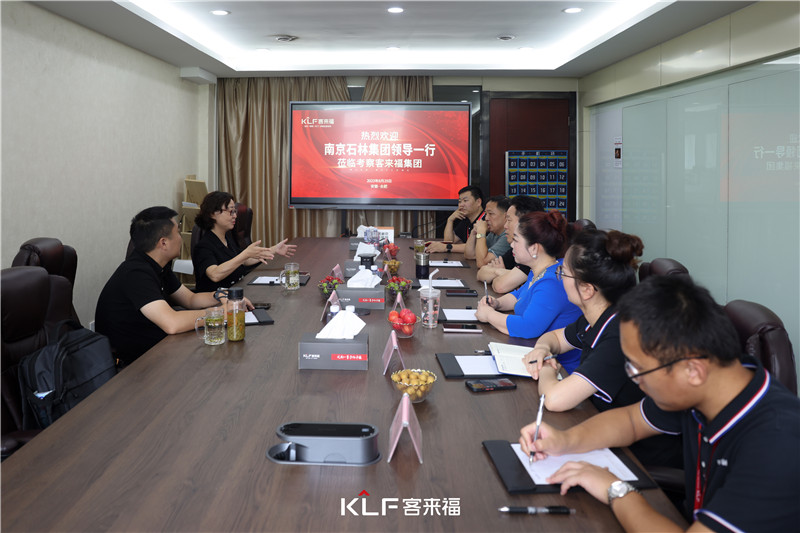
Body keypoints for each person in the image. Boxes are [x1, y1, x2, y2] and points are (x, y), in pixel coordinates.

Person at [520, 275, 800, 532]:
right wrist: (565, 441)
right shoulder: (715, 384)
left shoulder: (777, 444)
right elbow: (631, 421)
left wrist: (616, 490)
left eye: (638, 370)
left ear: (693, 371)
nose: (635, 380)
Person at [523, 228, 682, 468]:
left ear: (587, 289)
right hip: (603, 432)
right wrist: (543, 349)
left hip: (636, 459)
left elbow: (554, 399)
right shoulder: (600, 315)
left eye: (562, 272)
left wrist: (546, 368)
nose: (559, 278)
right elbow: (554, 337)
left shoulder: (621, 333)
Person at [96, 206, 253, 365]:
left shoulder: (158, 266)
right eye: (177, 232)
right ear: (163, 243)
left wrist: (222, 296)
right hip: (134, 364)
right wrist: (220, 313)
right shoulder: (136, 273)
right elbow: (172, 323)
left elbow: (190, 299)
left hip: (158, 348)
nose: (181, 238)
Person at [475, 211, 582, 372]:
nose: (511, 245)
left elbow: (528, 327)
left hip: (559, 369)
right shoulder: (540, 269)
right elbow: (520, 295)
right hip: (534, 355)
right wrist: (497, 303)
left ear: (534, 248)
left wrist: (489, 315)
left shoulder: (553, 281)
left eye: (516, 240)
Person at [192, 191, 296, 292]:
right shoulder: (203, 247)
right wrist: (245, 254)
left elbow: (244, 260)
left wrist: (274, 249)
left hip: (237, 292)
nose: (235, 216)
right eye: (230, 211)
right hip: (216, 300)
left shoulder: (227, 237)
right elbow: (215, 275)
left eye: (234, 211)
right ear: (213, 214)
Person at [477, 195, 544, 293]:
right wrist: (502, 272)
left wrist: (500, 274)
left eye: (509, 220)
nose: (505, 226)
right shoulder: (516, 248)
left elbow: (500, 286)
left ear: (525, 222)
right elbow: (481, 272)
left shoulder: (533, 251)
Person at [425, 185, 484, 254]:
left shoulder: (487, 220)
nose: (461, 205)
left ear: (478, 202)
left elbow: (477, 247)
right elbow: (449, 241)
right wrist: (450, 220)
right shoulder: (466, 220)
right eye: (459, 201)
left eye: (465, 200)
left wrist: (446, 247)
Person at [464, 195, 511, 268]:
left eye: (491, 214)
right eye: (486, 214)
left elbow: (482, 263)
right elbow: (469, 255)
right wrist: (473, 232)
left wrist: (481, 232)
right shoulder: (494, 233)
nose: (486, 218)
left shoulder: (508, 236)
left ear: (506, 216)